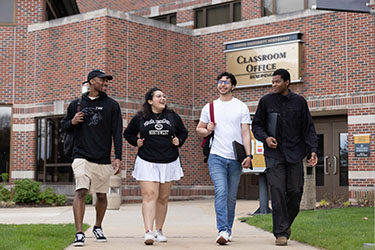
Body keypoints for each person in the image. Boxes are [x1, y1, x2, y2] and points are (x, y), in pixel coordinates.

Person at [252, 68, 318, 246]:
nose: (274, 85)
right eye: (272, 82)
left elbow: (308, 129)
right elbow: (256, 126)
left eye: (277, 82)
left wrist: (313, 149)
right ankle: (281, 233)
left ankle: (285, 223)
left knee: (296, 192)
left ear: (287, 82)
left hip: (295, 154)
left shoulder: (299, 102)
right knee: (279, 191)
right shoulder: (266, 101)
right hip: (274, 155)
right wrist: (266, 138)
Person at [61, 69, 123, 247]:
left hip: (102, 157)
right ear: (91, 82)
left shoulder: (112, 105)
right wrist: (72, 122)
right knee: (81, 191)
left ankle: (97, 226)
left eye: (106, 81)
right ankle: (79, 233)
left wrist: (117, 157)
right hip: (81, 156)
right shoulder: (76, 104)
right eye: (102, 80)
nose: (105, 83)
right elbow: (64, 126)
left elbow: (117, 132)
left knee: (102, 196)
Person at [124, 87, 188, 245]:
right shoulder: (141, 117)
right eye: (159, 96)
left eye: (164, 96)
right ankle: (148, 232)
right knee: (150, 195)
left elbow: (183, 132)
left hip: (169, 160)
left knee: (163, 198)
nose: (163, 98)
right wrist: (136, 142)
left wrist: (179, 141)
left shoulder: (172, 116)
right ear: (150, 101)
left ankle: (159, 230)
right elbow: (128, 133)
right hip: (147, 160)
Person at [196, 72, 252, 245]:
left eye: (226, 82)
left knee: (231, 196)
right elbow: (200, 129)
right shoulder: (209, 107)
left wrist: (249, 156)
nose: (223, 85)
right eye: (220, 82)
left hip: (235, 158)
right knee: (221, 191)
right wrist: (208, 130)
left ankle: (227, 229)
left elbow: (245, 133)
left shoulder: (241, 107)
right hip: (216, 157)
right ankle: (222, 229)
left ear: (233, 86)